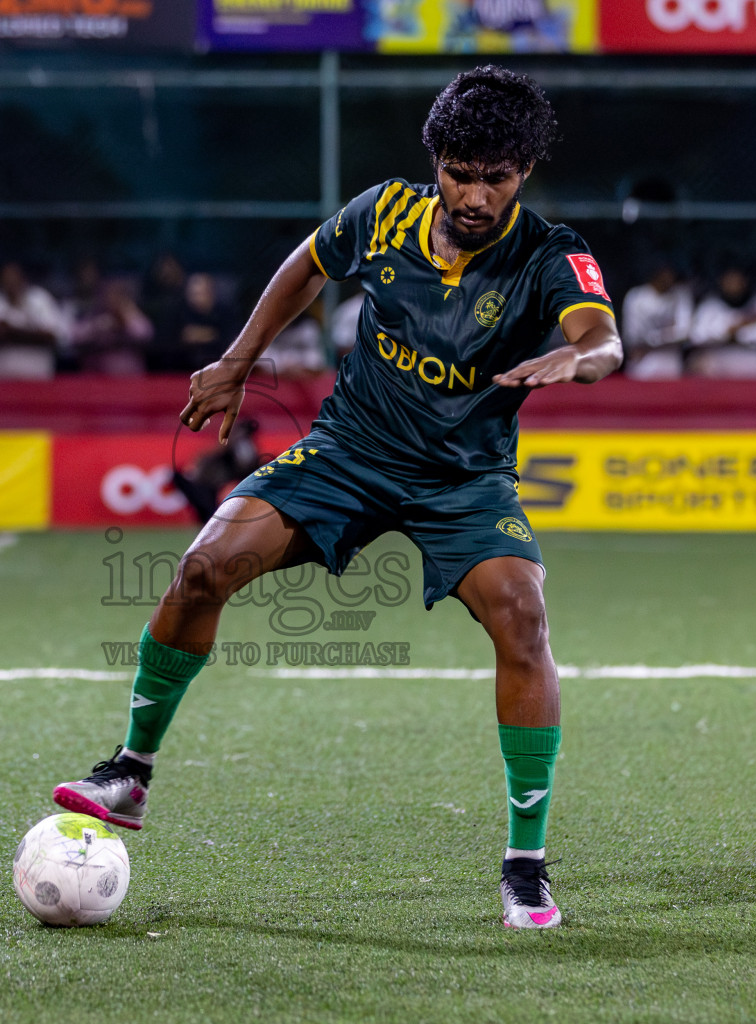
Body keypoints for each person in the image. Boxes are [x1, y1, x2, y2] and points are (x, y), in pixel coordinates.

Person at [52, 67, 622, 930]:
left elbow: (602, 334)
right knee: (202, 567)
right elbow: (307, 265)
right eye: (460, 171)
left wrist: (584, 357)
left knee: (523, 618)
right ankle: (130, 772)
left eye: (496, 177)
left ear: (525, 173)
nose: (474, 193)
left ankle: (526, 864)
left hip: (462, 480)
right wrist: (242, 359)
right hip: (349, 451)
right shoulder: (383, 211)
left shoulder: (549, 253)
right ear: (436, 159)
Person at [0, 261, 69, 379]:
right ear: (0, 281)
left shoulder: (40, 299)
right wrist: (27, 333)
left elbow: (53, 336)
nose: (11, 283)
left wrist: (11, 331)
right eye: (6, 280)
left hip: (37, 381)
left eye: (14, 279)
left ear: (23, 279)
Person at [688, 266, 756, 378]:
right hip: (719, 366)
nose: (733, 285)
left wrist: (741, 335)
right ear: (721, 281)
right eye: (729, 280)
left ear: (745, 281)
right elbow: (696, 336)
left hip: (754, 364)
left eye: (737, 280)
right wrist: (730, 330)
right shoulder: (710, 305)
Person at [150, 272, 239, 373]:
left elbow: (233, 342)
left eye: (202, 293)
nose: (197, 298)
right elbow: (164, 343)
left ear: (212, 293)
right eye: (193, 294)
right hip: (181, 371)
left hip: (218, 371)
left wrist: (207, 335)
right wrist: (185, 339)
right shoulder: (177, 313)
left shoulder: (225, 313)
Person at [620, 260, 691, 380]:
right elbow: (633, 335)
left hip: (671, 363)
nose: (669, 278)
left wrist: (653, 339)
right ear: (655, 275)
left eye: (671, 274)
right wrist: (669, 334)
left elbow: (684, 332)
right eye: (665, 273)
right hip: (643, 363)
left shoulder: (680, 295)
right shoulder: (636, 297)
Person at [71, 278, 153, 375]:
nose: (111, 298)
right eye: (108, 294)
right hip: (96, 376)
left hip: (128, 376)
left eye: (116, 295)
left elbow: (145, 334)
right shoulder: (95, 314)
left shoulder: (131, 314)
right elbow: (75, 337)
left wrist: (125, 322)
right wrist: (98, 327)